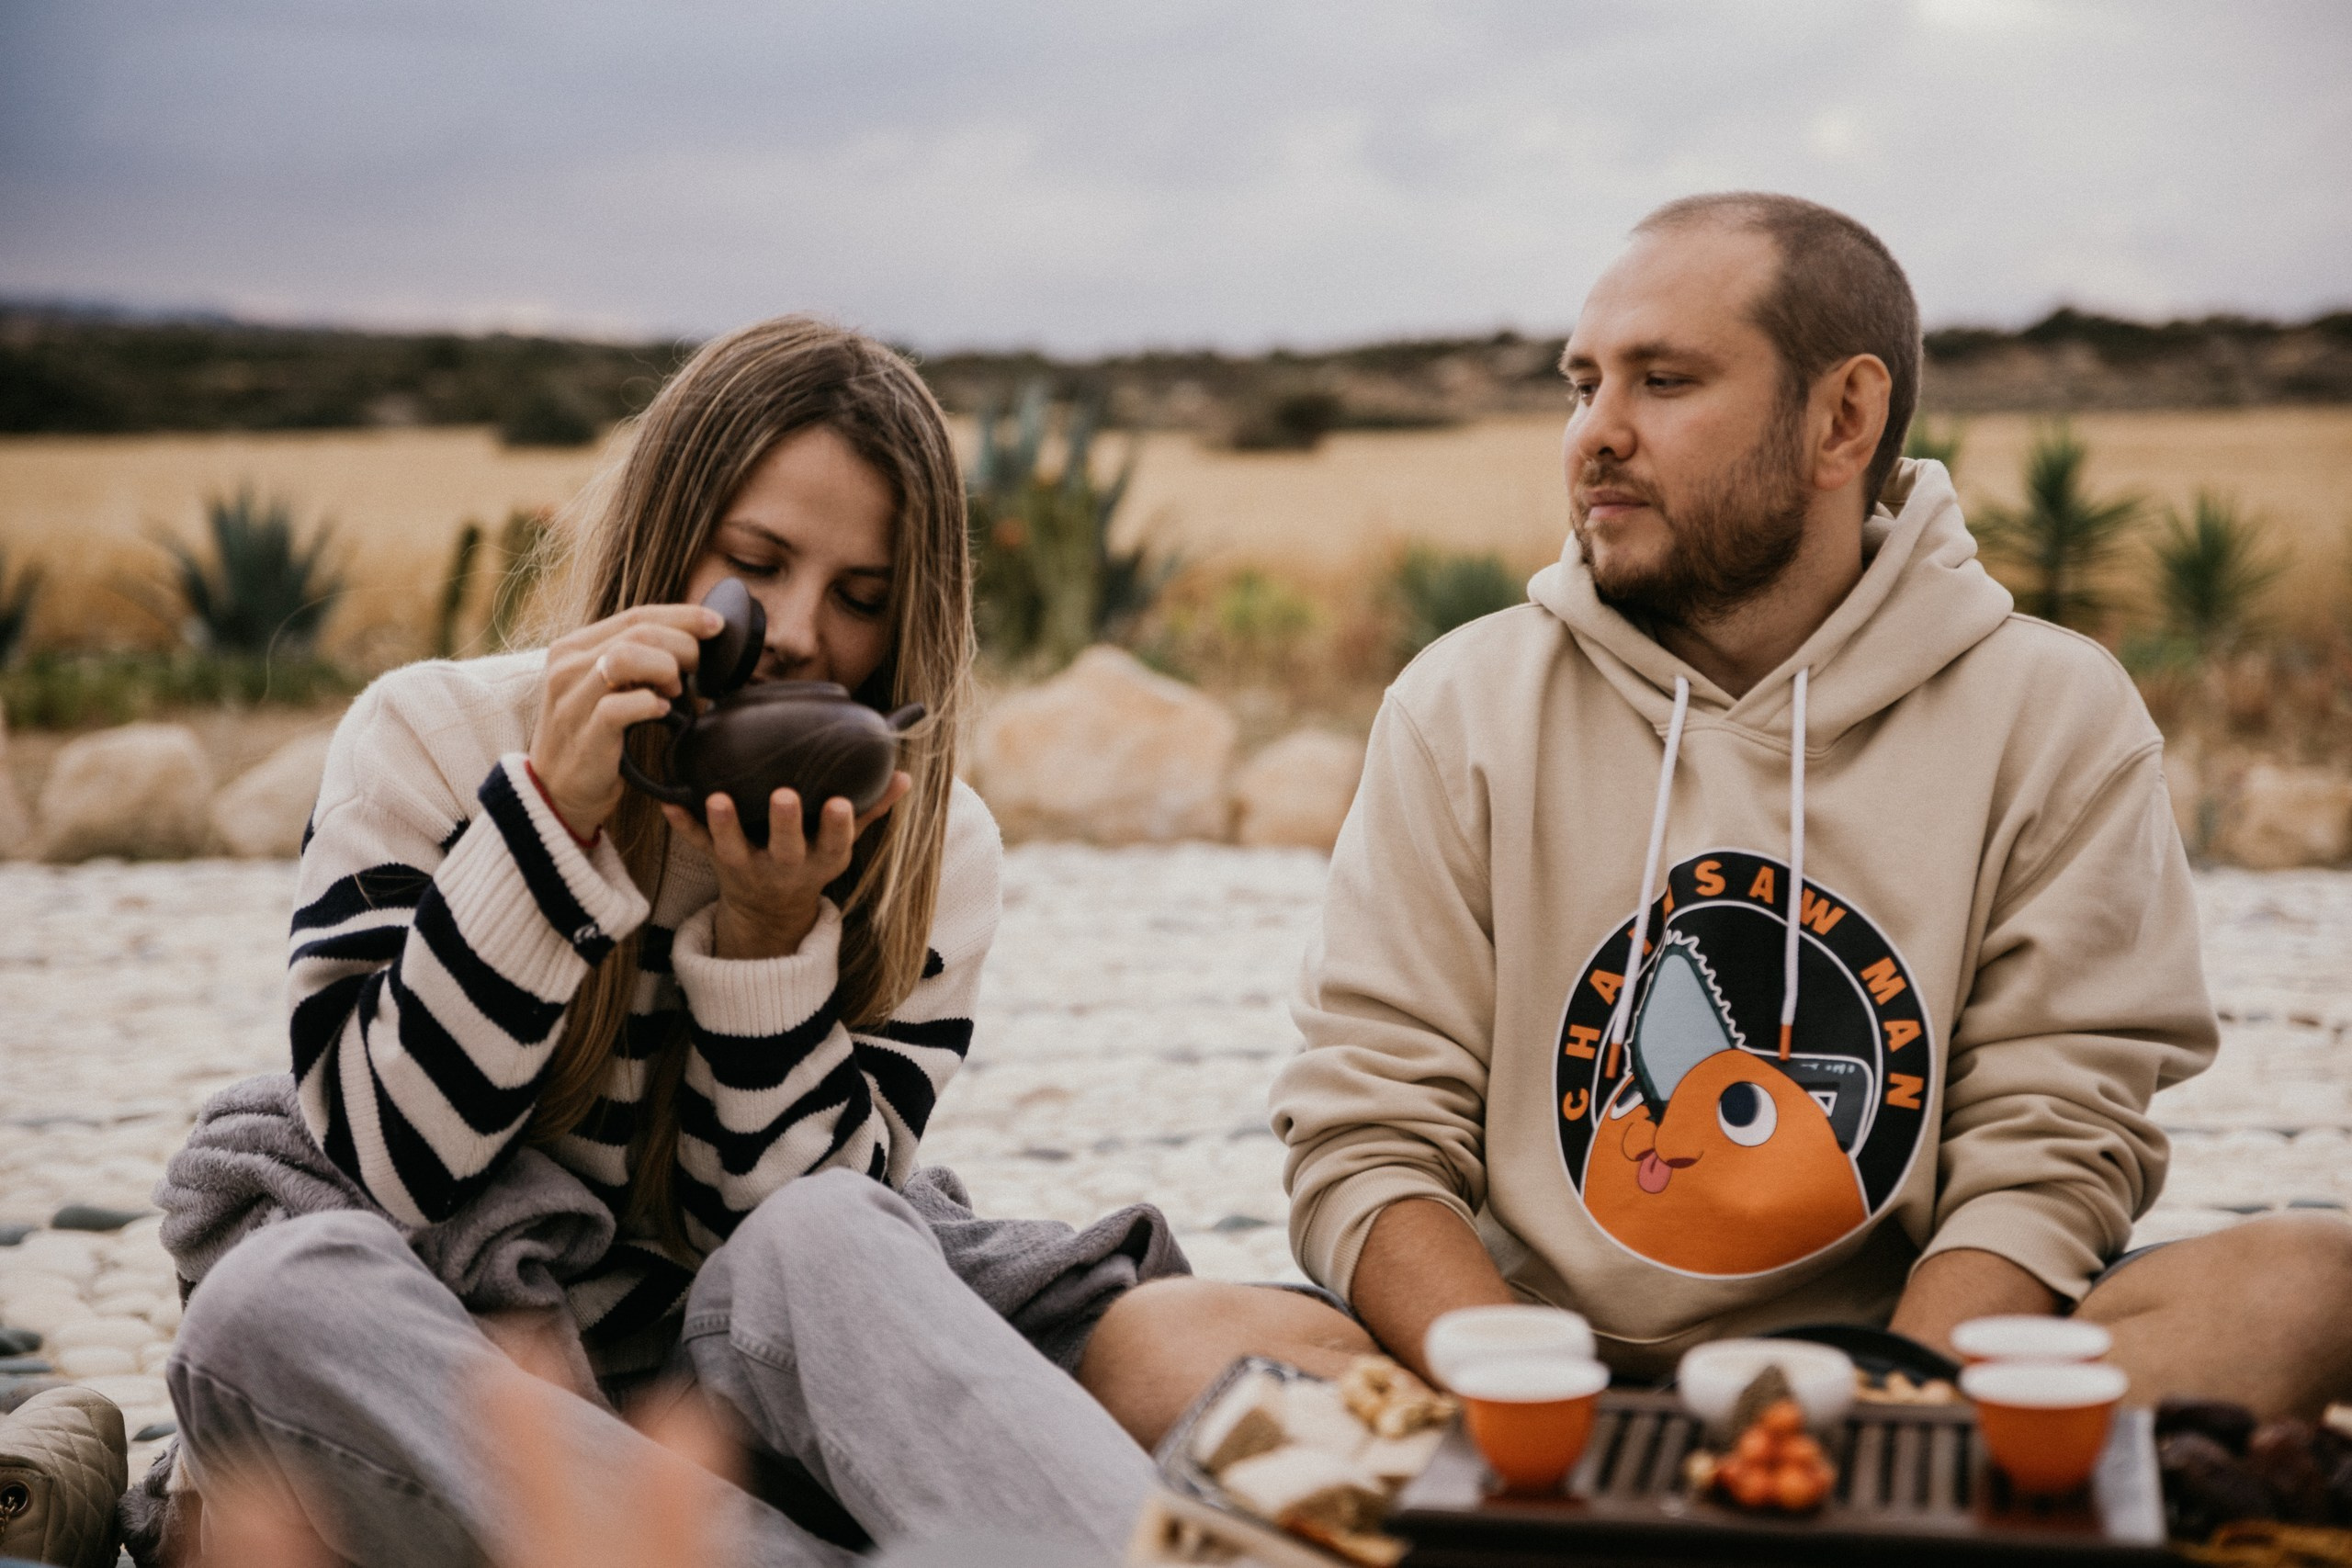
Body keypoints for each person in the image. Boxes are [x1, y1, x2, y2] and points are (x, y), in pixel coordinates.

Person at [162, 316, 1365, 1568]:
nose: (796, 632)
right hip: (465, 1384)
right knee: (266, 1304)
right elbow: (391, 1164)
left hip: (752, 1384)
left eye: (860, 599)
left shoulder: (930, 845)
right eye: (757, 562)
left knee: (833, 1229)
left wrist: (771, 943)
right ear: (666, 531)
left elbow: (785, 1270)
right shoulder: (430, 738)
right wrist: (549, 829)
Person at [1269, 193, 2352, 1419]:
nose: (1596, 436)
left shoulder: (2052, 712)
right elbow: (1367, 1129)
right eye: (1584, 386)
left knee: (2310, 1285)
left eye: (1663, 382)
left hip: (1910, 1362)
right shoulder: (1460, 701)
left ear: (1844, 419)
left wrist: (1884, 1413)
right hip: (1523, 1363)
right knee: (1164, 1337)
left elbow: (2050, 1141)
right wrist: (1519, 1391)